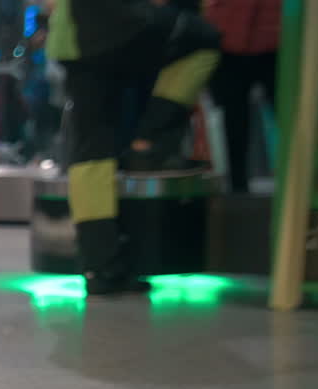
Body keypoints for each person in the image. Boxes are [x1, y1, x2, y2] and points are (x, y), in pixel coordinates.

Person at [47, 0, 221, 296]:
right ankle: (148, 141)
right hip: (123, 23)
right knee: (205, 40)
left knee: (91, 150)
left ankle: (101, 265)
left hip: (73, 39)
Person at [203, 0, 281, 194]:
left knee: (286, 115)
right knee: (233, 118)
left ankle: (294, 174)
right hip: (229, 43)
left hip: (274, 44)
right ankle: (237, 182)